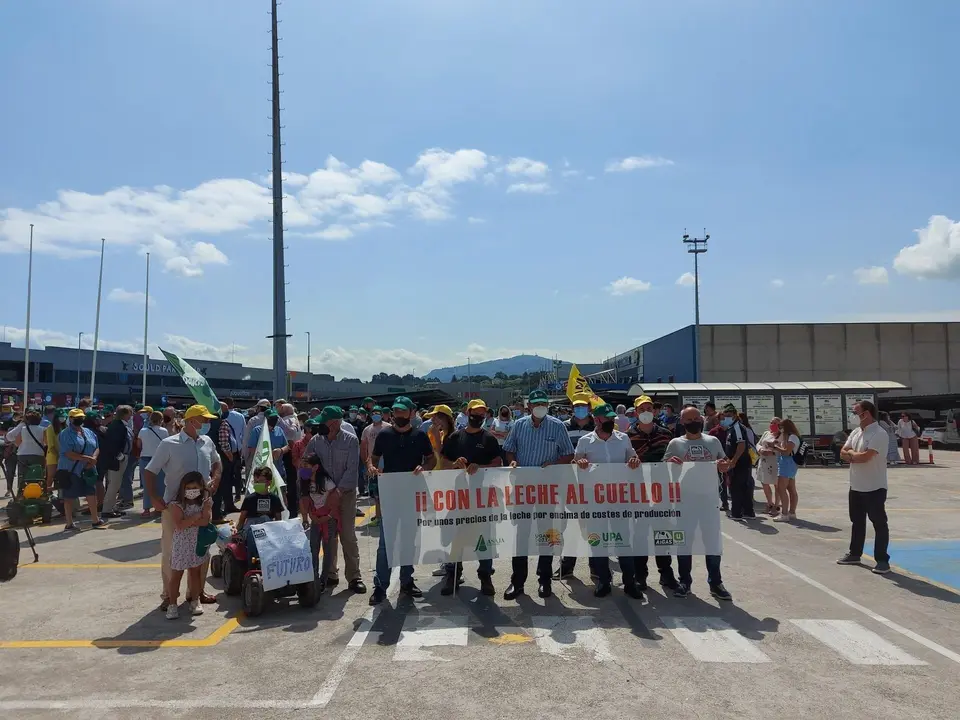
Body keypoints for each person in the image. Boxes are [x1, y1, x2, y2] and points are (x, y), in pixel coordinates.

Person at [144, 404, 222, 612]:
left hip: (203, 505)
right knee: (171, 553)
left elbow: (217, 464)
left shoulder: (207, 441)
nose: (207, 424)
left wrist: (215, 480)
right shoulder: (169, 444)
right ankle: (169, 596)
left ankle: (196, 593)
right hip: (176, 508)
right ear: (190, 421)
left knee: (201, 550)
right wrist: (153, 497)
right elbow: (150, 471)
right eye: (204, 420)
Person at [502, 389, 575, 600]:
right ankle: (518, 581)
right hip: (523, 489)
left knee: (547, 535)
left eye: (544, 403)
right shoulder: (519, 425)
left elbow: (568, 454)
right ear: (529, 407)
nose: (540, 406)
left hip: (547, 491)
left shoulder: (557, 426)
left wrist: (554, 463)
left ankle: (544, 580)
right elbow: (509, 448)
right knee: (521, 535)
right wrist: (512, 461)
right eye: (536, 404)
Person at [368, 396, 435, 605]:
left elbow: (431, 458)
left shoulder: (421, 436)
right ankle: (380, 585)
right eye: (396, 411)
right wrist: (371, 466)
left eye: (403, 411)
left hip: (412, 494)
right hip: (390, 494)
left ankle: (407, 581)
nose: (398, 415)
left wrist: (424, 468)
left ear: (411, 412)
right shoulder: (384, 435)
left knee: (409, 541)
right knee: (385, 544)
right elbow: (374, 457)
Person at [663, 405, 733, 601]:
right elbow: (663, 469)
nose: (694, 422)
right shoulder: (675, 443)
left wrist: (723, 465)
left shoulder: (713, 441)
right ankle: (685, 581)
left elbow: (724, 463)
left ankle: (715, 582)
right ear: (682, 423)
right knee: (684, 543)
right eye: (689, 420)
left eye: (696, 418)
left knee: (712, 543)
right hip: (684, 501)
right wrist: (670, 464)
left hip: (709, 500)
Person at [572, 403, 642, 598]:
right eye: (607, 418)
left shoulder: (623, 439)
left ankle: (630, 581)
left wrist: (635, 462)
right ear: (597, 420)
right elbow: (575, 463)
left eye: (612, 418)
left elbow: (633, 459)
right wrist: (581, 463)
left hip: (620, 498)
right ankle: (603, 580)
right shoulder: (586, 441)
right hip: (596, 500)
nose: (611, 421)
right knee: (598, 541)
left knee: (624, 541)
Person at [438, 399, 502, 596]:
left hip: (482, 498)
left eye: (482, 414)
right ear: (467, 413)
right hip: (458, 497)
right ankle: (453, 575)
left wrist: (480, 468)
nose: (478, 417)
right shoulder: (455, 438)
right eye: (475, 413)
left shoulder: (489, 438)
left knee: (484, 539)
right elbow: (443, 461)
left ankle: (485, 576)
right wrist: (454, 464)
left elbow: (498, 463)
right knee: (455, 538)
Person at [305, 407, 365, 595]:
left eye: (325, 422)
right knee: (328, 536)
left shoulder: (351, 441)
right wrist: (305, 491)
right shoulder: (315, 441)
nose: (321, 425)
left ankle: (354, 577)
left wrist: (337, 492)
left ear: (336, 423)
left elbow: (352, 469)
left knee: (347, 535)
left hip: (345, 494)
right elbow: (305, 465)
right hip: (322, 497)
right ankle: (330, 574)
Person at [627, 395, 682, 593]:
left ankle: (666, 575)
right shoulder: (627, 435)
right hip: (639, 493)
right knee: (640, 535)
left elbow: (672, 459)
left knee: (662, 535)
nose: (646, 412)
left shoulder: (667, 434)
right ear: (635, 412)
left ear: (655, 410)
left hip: (661, 492)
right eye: (641, 409)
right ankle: (640, 577)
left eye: (649, 408)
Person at [837, 400, 891, 574]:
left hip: (874, 487)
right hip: (856, 486)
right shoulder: (855, 432)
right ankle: (855, 553)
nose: (853, 416)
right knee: (857, 522)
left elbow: (866, 457)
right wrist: (853, 454)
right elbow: (842, 453)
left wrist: (852, 454)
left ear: (866, 413)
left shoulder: (879, 433)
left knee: (879, 523)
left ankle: (882, 560)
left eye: (855, 412)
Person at [555, 395, 596, 579]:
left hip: (592, 483)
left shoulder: (598, 426)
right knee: (571, 523)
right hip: (569, 481)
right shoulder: (563, 426)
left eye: (583, 406)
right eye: (577, 406)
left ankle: (596, 565)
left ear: (589, 407)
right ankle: (567, 565)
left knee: (592, 523)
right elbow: (560, 450)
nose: (580, 409)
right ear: (572, 407)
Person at [165, 471, 213, 620]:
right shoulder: (176, 505)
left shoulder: (204, 503)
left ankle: (195, 600)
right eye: (188, 487)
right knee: (176, 575)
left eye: (195, 487)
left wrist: (190, 520)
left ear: (201, 488)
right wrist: (197, 517)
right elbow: (180, 525)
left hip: (196, 543)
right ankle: (172, 604)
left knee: (195, 573)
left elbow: (206, 521)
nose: (191, 491)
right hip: (181, 545)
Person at [56, 408, 106, 531]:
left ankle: (95, 520)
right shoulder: (65, 434)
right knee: (69, 496)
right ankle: (69, 523)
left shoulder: (88, 432)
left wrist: (93, 459)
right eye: (76, 417)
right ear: (70, 419)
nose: (79, 419)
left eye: (81, 417)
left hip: (88, 469)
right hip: (71, 469)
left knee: (91, 493)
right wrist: (87, 458)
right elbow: (68, 453)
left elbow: (97, 447)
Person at [298, 454, 338, 592]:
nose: (303, 469)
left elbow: (336, 498)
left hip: (328, 519)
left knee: (328, 550)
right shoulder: (305, 481)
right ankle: (313, 577)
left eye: (306, 466)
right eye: (302, 466)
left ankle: (323, 579)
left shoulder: (326, 481)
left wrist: (328, 516)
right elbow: (305, 501)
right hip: (315, 518)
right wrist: (309, 516)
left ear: (315, 467)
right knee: (313, 548)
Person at [248, 409, 293, 518]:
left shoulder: (279, 430)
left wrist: (280, 450)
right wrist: (266, 454)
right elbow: (252, 449)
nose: (274, 420)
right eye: (271, 418)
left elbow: (287, 446)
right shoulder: (257, 431)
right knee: (262, 502)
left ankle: (280, 521)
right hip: (263, 473)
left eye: (275, 418)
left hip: (279, 471)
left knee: (281, 499)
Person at [720, 404, 755, 520]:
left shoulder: (737, 428)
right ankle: (747, 511)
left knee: (737, 487)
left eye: (729, 416)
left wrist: (734, 461)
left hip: (740, 462)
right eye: (725, 416)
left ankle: (737, 513)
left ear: (735, 415)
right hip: (737, 461)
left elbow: (741, 445)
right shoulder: (731, 428)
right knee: (742, 487)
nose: (726, 418)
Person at [139, 411, 169, 518]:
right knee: (161, 484)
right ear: (161, 420)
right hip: (159, 459)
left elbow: (139, 444)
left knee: (148, 485)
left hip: (145, 459)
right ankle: (159, 507)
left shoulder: (143, 431)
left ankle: (146, 509)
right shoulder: (164, 431)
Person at [773, 418, 801, 522]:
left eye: (781, 427)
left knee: (781, 488)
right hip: (788, 463)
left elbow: (786, 452)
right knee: (790, 489)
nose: (780, 429)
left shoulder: (792, 437)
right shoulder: (789, 436)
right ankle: (792, 512)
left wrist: (776, 447)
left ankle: (784, 514)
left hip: (787, 463)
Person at [10, 409, 47, 489]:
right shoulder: (43, 430)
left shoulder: (23, 429)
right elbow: (46, 443)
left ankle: (21, 493)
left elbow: (17, 442)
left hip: (23, 455)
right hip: (38, 455)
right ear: (39, 420)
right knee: (38, 475)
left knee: (22, 476)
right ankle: (38, 493)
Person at [221, 398, 248, 503]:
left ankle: (225, 498)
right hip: (237, 449)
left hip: (223, 450)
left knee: (225, 474)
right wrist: (242, 448)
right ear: (233, 404)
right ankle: (237, 495)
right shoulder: (240, 416)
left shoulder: (220, 416)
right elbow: (244, 433)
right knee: (237, 474)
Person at [756, 417, 781, 514]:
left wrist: (772, 452)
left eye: (775, 423)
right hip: (763, 461)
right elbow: (758, 444)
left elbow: (782, 447)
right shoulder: (766, 433)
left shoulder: (782, 436)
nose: (772, 424)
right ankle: (769, 503)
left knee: (777, 484)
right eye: (771, 422)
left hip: (775, 462)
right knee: (764, 482)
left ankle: (776, 505)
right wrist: (761, 450)